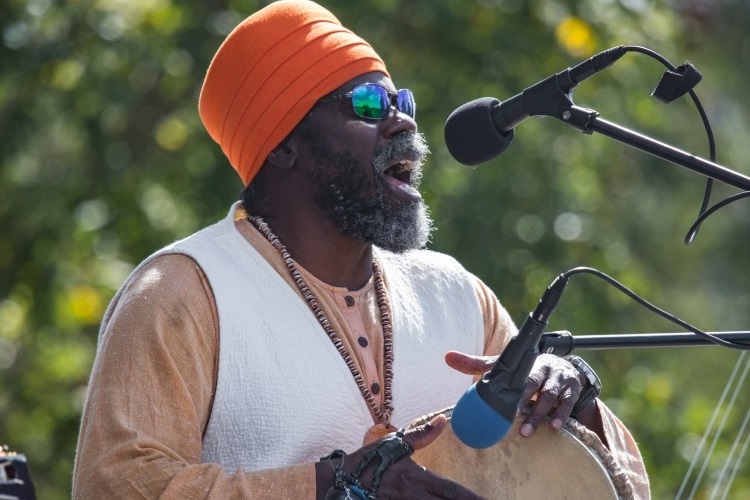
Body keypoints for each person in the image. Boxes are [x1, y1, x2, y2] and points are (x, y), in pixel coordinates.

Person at [72, 1, 650, 498]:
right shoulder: (182, 292)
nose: (402, 121)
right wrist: (336, 488)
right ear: (285, 147)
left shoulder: (455, 294)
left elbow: (616, 482)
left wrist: (570, 397)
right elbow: (117, 486)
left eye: (405, 102)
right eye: (370, 104)